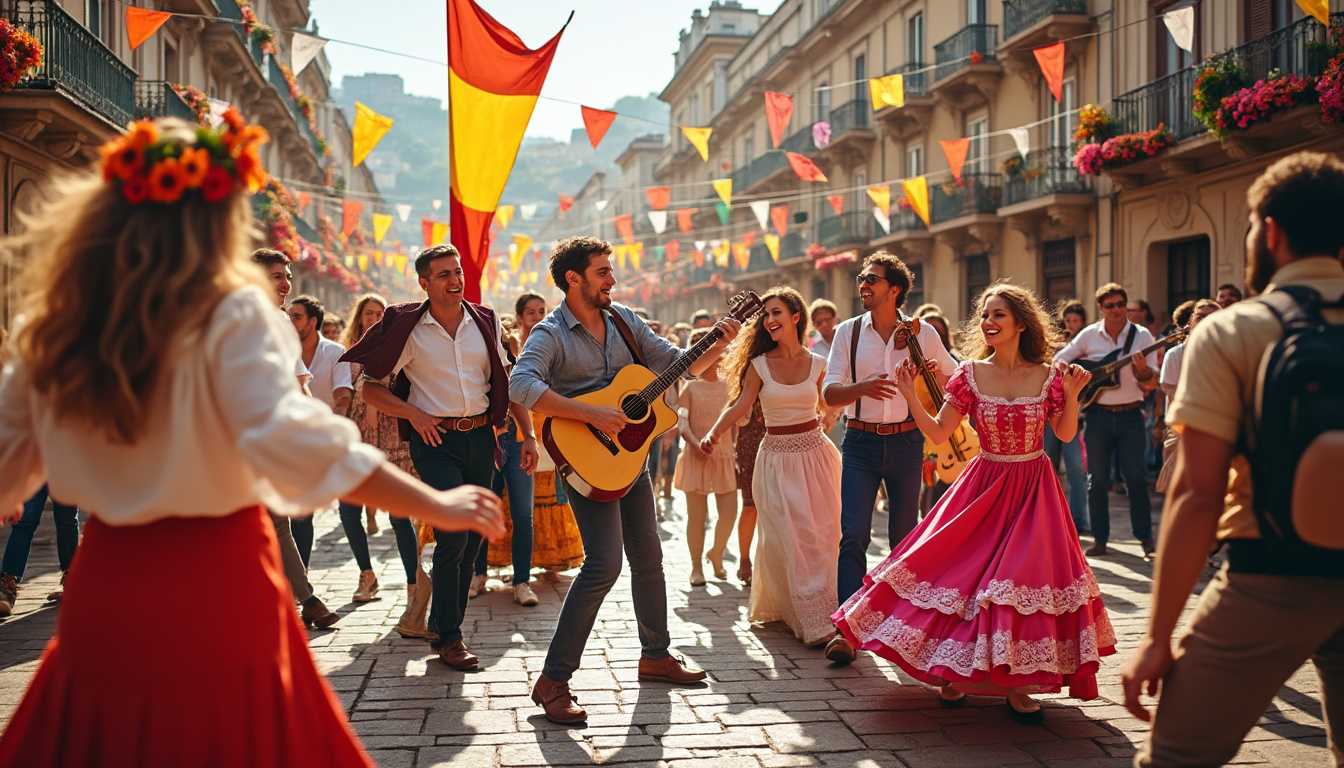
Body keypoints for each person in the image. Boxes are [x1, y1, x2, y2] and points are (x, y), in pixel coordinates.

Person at [0, 114, 504, 766]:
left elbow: (9, 473)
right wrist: (435, 506)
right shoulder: (233, 314)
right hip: (222, 583)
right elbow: (304, 442)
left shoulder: (57, 329)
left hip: (108, 594)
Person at [1122, 152, 1344, 767]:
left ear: (1269, 231)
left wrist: (1157, 637)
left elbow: (1196, 495)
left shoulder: (1233, 331)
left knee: (1175, 757)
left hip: (1270, 575)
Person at [834, 282, 1114, 724]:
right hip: (983, 486)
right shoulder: (968, 373)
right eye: (985, 315)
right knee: (965, 581)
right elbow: (940, 433)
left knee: (1020, 582)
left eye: (998, 314)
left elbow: (1062, 435)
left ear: (1021, 323)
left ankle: (1019, 684)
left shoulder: (1051, 374)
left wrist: (1075, 397)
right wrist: (910, 394)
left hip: (1033, 489)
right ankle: (955, 673)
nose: (988, 322)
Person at [510, 236, 739, 725]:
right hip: (585, 461)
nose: (612, 279)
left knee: (650, 557)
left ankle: (656, 655)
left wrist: (717, 341)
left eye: (611, 270)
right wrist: (591, 412)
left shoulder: (626, 321)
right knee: (603, 565)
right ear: (574, 279)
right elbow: (521, 385)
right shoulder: (550, 334)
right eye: (602, 271)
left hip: (630, 461)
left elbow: (681, 364)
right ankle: (553, 679)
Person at [341, 244, 538, 671]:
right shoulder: (411, 331)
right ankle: (449, 636)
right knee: (454, 534)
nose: (455, 281)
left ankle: (442, 621)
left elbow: (508, 381)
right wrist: (413, 412)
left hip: (483, 440)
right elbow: (371, 387)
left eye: (458, 272)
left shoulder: (483, 321)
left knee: (470, 540)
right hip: (434, 443)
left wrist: (528, 435)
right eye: (445, 274)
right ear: (424, 283)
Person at [821, 252, 956, 663]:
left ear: (894, 289)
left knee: (904, 538)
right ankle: (845, 629)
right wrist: (862, 387)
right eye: (862, 278)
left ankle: (900, 627)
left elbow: (954, 379)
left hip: (907, 443)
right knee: (853, 534)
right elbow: (829, 394)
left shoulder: (923, 332)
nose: (864, 284)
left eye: (872, 279)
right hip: (860, 443)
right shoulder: (848, 332)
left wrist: (928, 373)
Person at [703, 287, 842, 648]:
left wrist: (841, 408)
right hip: (777, 458)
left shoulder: (818, 364)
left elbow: (831, 402)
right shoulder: (759, 365)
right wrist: (714, 433)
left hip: (817, 455)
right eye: (765, 315)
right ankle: (812, 622)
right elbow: (739, 406)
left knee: (823, 535)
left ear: (797, 317)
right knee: (792, 536)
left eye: (776, 312)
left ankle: (827, 609)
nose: (769, 320)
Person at [339, 293, 438, 639]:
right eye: (368, 314)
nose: (374, 319)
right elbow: (344, 394)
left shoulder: (401, 349)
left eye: (380, 314)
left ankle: (414, 587)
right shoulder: (349, 354)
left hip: (396, 442)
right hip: (358, 441)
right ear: (359, 319)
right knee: (347, 509)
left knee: (399, 518)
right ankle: (367, 574)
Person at [251, 248, 341, 628]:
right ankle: (304, 599)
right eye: (276, 276)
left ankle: (295, 599)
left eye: (287, 275)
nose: (286, 283)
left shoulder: (282, 321)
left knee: (275, 520)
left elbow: (298, 383)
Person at [479, 293, 585, 590]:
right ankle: (483, 573)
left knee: (536, 505)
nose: (537, 317)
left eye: (542, 311)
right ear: (520, 315)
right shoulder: (510, 344)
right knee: (496, 504)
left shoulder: (553, 343)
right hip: (509, 430)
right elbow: (512, 390)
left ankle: (533, 570)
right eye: (531, 312)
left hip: (541, 427)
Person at [1056, 283, 1159, 557]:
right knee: (1097, 479)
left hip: (1131, 416)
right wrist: (1077, 379)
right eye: (1110, 305)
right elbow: (1059, 360)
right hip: (1097, 415)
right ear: (1100, 308)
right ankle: (1100, 539)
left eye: (1121, 304)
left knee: (1136, 479)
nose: (1117, 310)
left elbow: (1151, 384)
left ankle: (1145, 538)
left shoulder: (1142, 336)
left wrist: (1142, 370)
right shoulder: (1090, 335)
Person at [471, 292, 546, 606]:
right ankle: (478, 575)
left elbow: (518, 398)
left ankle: (521, 582)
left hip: (515, 442)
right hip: (482, 442)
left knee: (522, 515)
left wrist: (528, 437)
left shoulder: (514, 357)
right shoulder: (471, 360)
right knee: (481, 512)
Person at [673, 328, 739, 586]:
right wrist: (695, 444)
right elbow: (682, 422)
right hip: (695, 456)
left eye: (722, 351)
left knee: (729, 513)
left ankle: (716, 552)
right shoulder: (690, 387)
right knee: (696, 517)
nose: (720, 357)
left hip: (723, 456)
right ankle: (696, 566)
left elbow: (739, 420)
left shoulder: (731, 386)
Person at [1155, 299, 1218, 494]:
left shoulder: (1228, 352)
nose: (1205, 321)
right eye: (1200, 317)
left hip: (1218, 429)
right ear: (1190, 322)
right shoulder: (1175, 354)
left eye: (1211, 316)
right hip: (1182, 429)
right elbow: (1170, 391)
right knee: (1178, 491)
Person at [1043, 300, 1090, 533]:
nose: (1072, 325)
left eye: (1076, 321)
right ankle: (1050, 519)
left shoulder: (1086, 349)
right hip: (1048, 418)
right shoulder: (1052, 349)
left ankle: (1080, 521)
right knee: (1046, 468)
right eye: (1068, 321)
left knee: (1076, 468)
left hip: (1074, 416)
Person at [0, 486, 79, 613]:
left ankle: (72, 582)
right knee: (26, 518)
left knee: (67, 519)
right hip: (36, 469)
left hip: (65, 469)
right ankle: (7, 584)